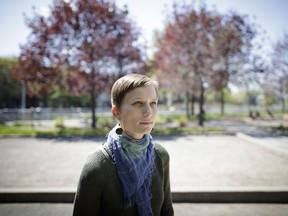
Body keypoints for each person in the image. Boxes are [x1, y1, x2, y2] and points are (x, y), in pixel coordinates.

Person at [73, 73, 174, 216]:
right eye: (138, 103)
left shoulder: (160, 155)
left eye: (153, 103)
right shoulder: (97, 165)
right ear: (116, 112)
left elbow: (166, 211)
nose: (148, 112)